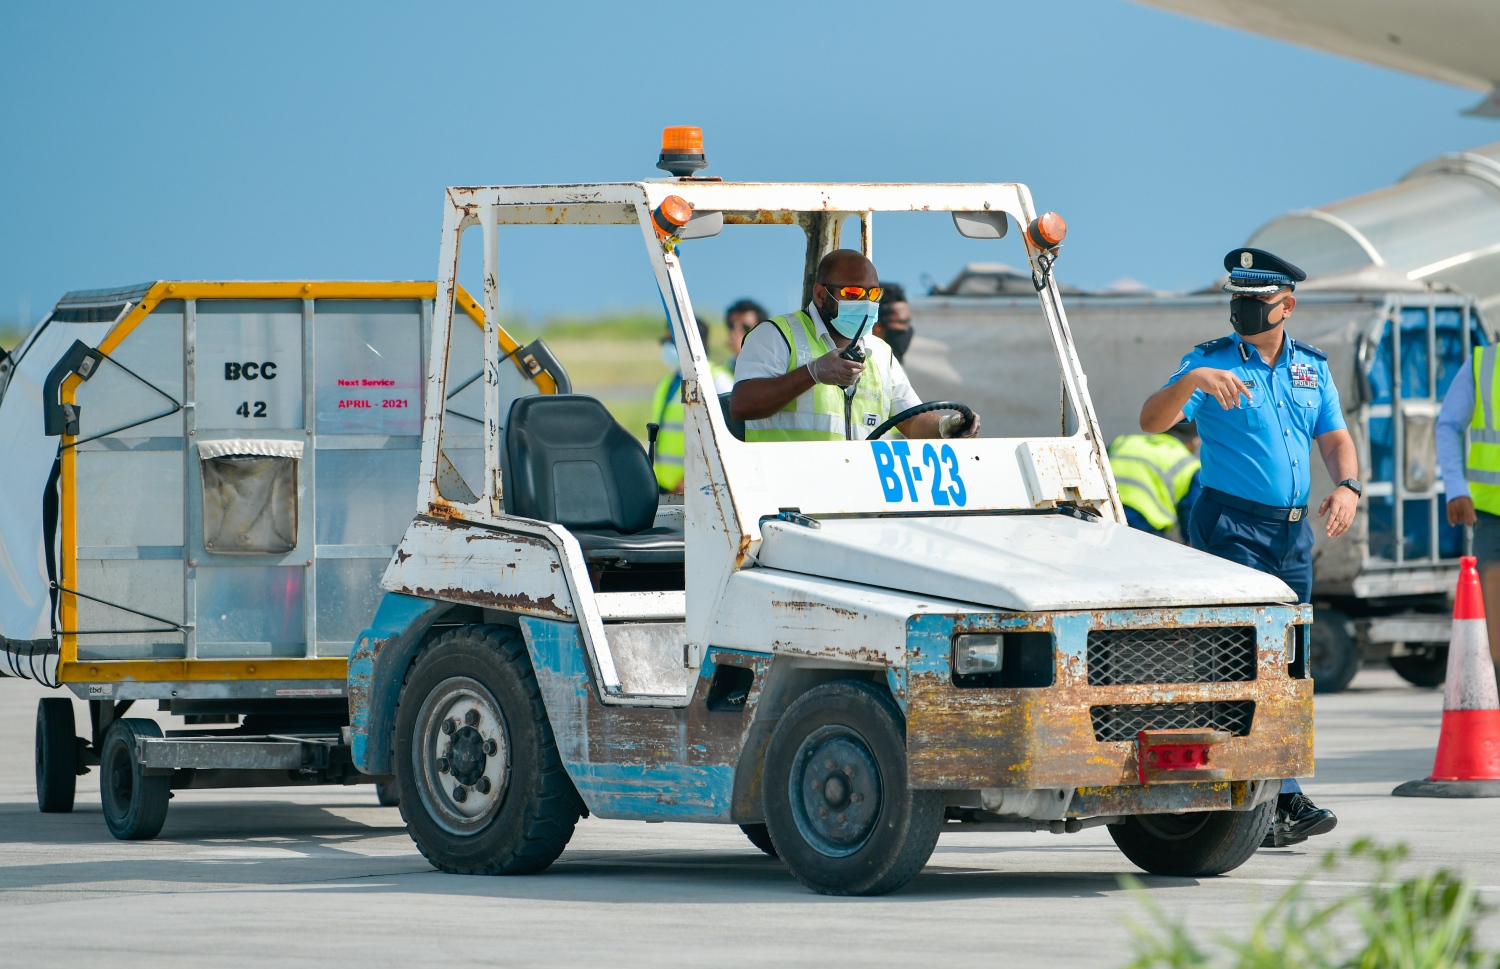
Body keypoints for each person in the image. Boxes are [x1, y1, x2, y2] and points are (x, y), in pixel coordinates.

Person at [1139, 247, 1360, 849]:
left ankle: (1275, 793)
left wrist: (1347, 486)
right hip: (1232, 524)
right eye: (1238, 298)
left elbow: (1335, 436)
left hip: (1292, 532)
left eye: (1258, 301)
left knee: (1290, 659)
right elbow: (1151, 420)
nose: (1245, 309)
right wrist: (1191, 381)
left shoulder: (1311, 367)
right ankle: (1271, 794)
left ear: (1287, 305)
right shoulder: (1208, 362)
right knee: (1243, 655)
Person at [729, 250, 981, 441]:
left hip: (857, 498)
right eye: (853, 294)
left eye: (873, 295)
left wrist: (946, 425)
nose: (866, 303)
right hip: (785, 500)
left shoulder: (881, 353)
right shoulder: (775, 335)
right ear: (820, 295)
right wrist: (811, 373)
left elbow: (912, 421)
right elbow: (742, 405)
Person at [1434, 343, 1500, 669]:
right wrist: (1456, 488)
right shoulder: (1483, 363)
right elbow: (1448, 425)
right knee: (1495, 629)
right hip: (1492, 518)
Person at [652, 316, 733, 493]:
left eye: (671, 341)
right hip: (664, 485)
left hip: (695, 487)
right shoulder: (668, 382)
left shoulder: (717, 381)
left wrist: (692, 478)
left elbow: (726, 440)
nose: (667, 347)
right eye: (665, 341)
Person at [1108, 422, 1202, 539]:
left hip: (1101, 511)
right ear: (1194, 441)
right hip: (1142, 526)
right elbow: (1191, 521)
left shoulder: (1124, 442)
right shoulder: (1189, 464)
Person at [874, 282, 913, 364]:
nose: (907, 329)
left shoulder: (895, 370)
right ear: (878, 328)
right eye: (902, 322)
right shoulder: (856, 367)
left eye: (908, 322)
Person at [724, 299, 767, 372]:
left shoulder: (775, 362)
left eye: (745, 327)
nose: (736, 332)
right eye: (732, 326)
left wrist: (741, 353)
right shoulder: (722, 371)